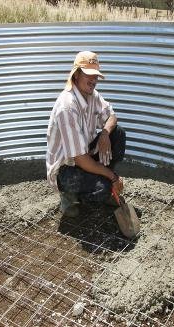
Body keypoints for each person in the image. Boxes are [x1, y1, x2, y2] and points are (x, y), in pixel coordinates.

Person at [46, 51, 126, 217]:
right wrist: (113, 177)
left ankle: (102, 184)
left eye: (96, 76)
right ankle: (69, 196)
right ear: (76, 75)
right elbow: (80, 159)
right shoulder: (67, 107)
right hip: (66, 169)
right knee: (102, 188)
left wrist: (104, 133)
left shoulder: (92, 95)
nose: (94, 80)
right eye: (88, 75)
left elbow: (112, 116)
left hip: (85, 154)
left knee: (117, 134)